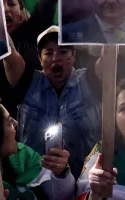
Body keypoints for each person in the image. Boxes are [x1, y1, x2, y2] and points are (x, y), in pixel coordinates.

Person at [17, 26, 102, 176]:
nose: (56, 58)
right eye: (49, 53)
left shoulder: (90, 81)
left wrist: (89, 46)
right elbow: (9, 56)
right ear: (40, 59)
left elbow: (109, 57)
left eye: (63, 52)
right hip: (33, 182)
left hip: (84, 181)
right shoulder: (28, 82)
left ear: (74, 56)